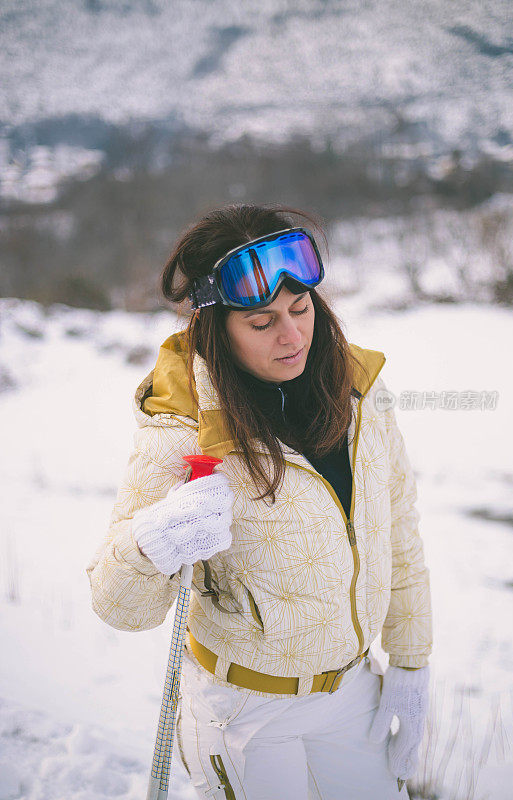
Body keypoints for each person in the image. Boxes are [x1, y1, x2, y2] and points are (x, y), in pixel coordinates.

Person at [86, 203, 433, 799]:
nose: (293, 335)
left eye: (301, 310)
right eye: (261, 322)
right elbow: (120, 607)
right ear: (215, 329)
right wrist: (155, 539)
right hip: (245, 713)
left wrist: (410, 658)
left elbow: (397, 528)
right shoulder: (181, 425)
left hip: (352, 693)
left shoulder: (358, 388)